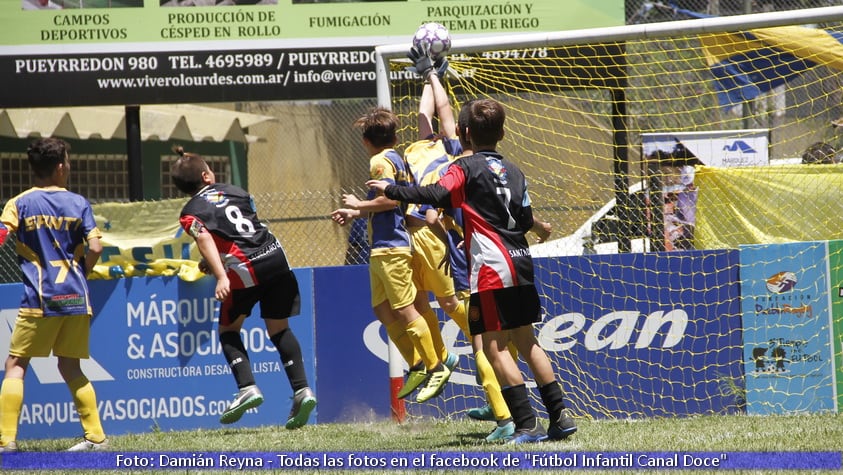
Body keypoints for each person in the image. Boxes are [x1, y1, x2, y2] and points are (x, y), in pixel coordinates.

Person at [368, 98, 577, 444]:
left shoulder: (463, 167)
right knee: (527, 341)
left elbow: (437, 193)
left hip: (492, 267)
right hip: (521, 260)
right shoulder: (514, 170)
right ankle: (559, 416)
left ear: (464, 134)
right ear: (503, 133)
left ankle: (526, 424)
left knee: (494, 349)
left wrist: (392, 189)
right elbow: (524, 219)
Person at [170, 147, 316, 430]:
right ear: (207, 176)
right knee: (279, 329)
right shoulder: (235, 190)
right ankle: (302, 390)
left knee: (228, 329)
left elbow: (205, 240)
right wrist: (212, 263)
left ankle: (247, 387)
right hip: (276, 257)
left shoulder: (190, 212)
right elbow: (243, 228)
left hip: (246, 270)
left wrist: (221, 274)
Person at [330, 107, 451, 403]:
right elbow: (390, 203)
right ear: (395, 137)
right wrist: (355, 211)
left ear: (365, 141)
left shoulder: (379, 162)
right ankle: (418, 365)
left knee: (405, 309)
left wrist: (358, 204)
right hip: (382, 246)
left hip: (392, 247)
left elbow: (388, 199)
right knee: (382, 310)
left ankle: (436, 367)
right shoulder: (397, 157)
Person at [0, 138, 108, 452]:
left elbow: (3, 234)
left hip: (40, 299)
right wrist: (83, 273)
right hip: (76, 297)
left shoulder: (19, 203)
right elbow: (97, 247)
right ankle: (96, 437)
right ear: (60, 167)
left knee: (16, 364)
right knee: (70, 366)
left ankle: (6, 441)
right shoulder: (79, 203)